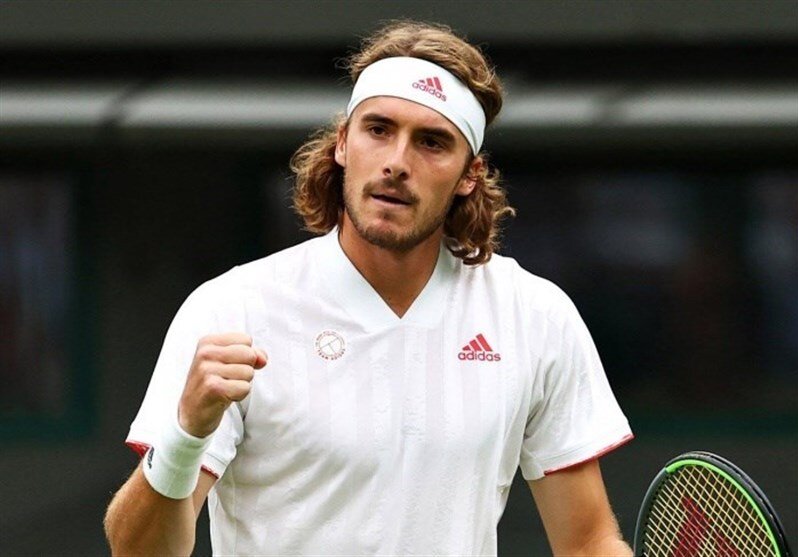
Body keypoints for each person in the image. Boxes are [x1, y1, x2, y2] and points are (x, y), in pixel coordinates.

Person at [104, 20, 634, 556]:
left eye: (432, 142)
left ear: (469, 175)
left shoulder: (535, 315)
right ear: (342, 143)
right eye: (378, 129)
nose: (397, 163)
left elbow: (587, 542)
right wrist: (184, 435)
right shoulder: (230, 310)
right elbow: (137, 552)